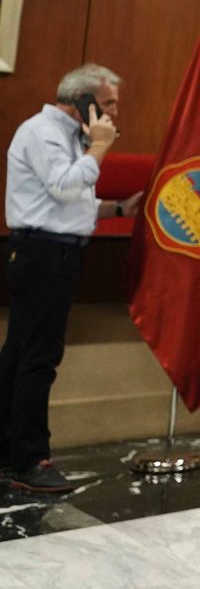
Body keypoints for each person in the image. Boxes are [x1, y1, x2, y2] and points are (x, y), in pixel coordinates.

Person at [2, 64, 141, 493]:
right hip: (43, 255)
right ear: (82, 99)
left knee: (18, 356)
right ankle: (30, 460)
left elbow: (73, 203)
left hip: (54, 254)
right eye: (109, 103)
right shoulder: (43, 131)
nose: (115, 112)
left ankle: (8, 451)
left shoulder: (71, 137)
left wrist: (117, 210)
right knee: (38, 359)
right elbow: (64, 185)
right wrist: (99, 148)